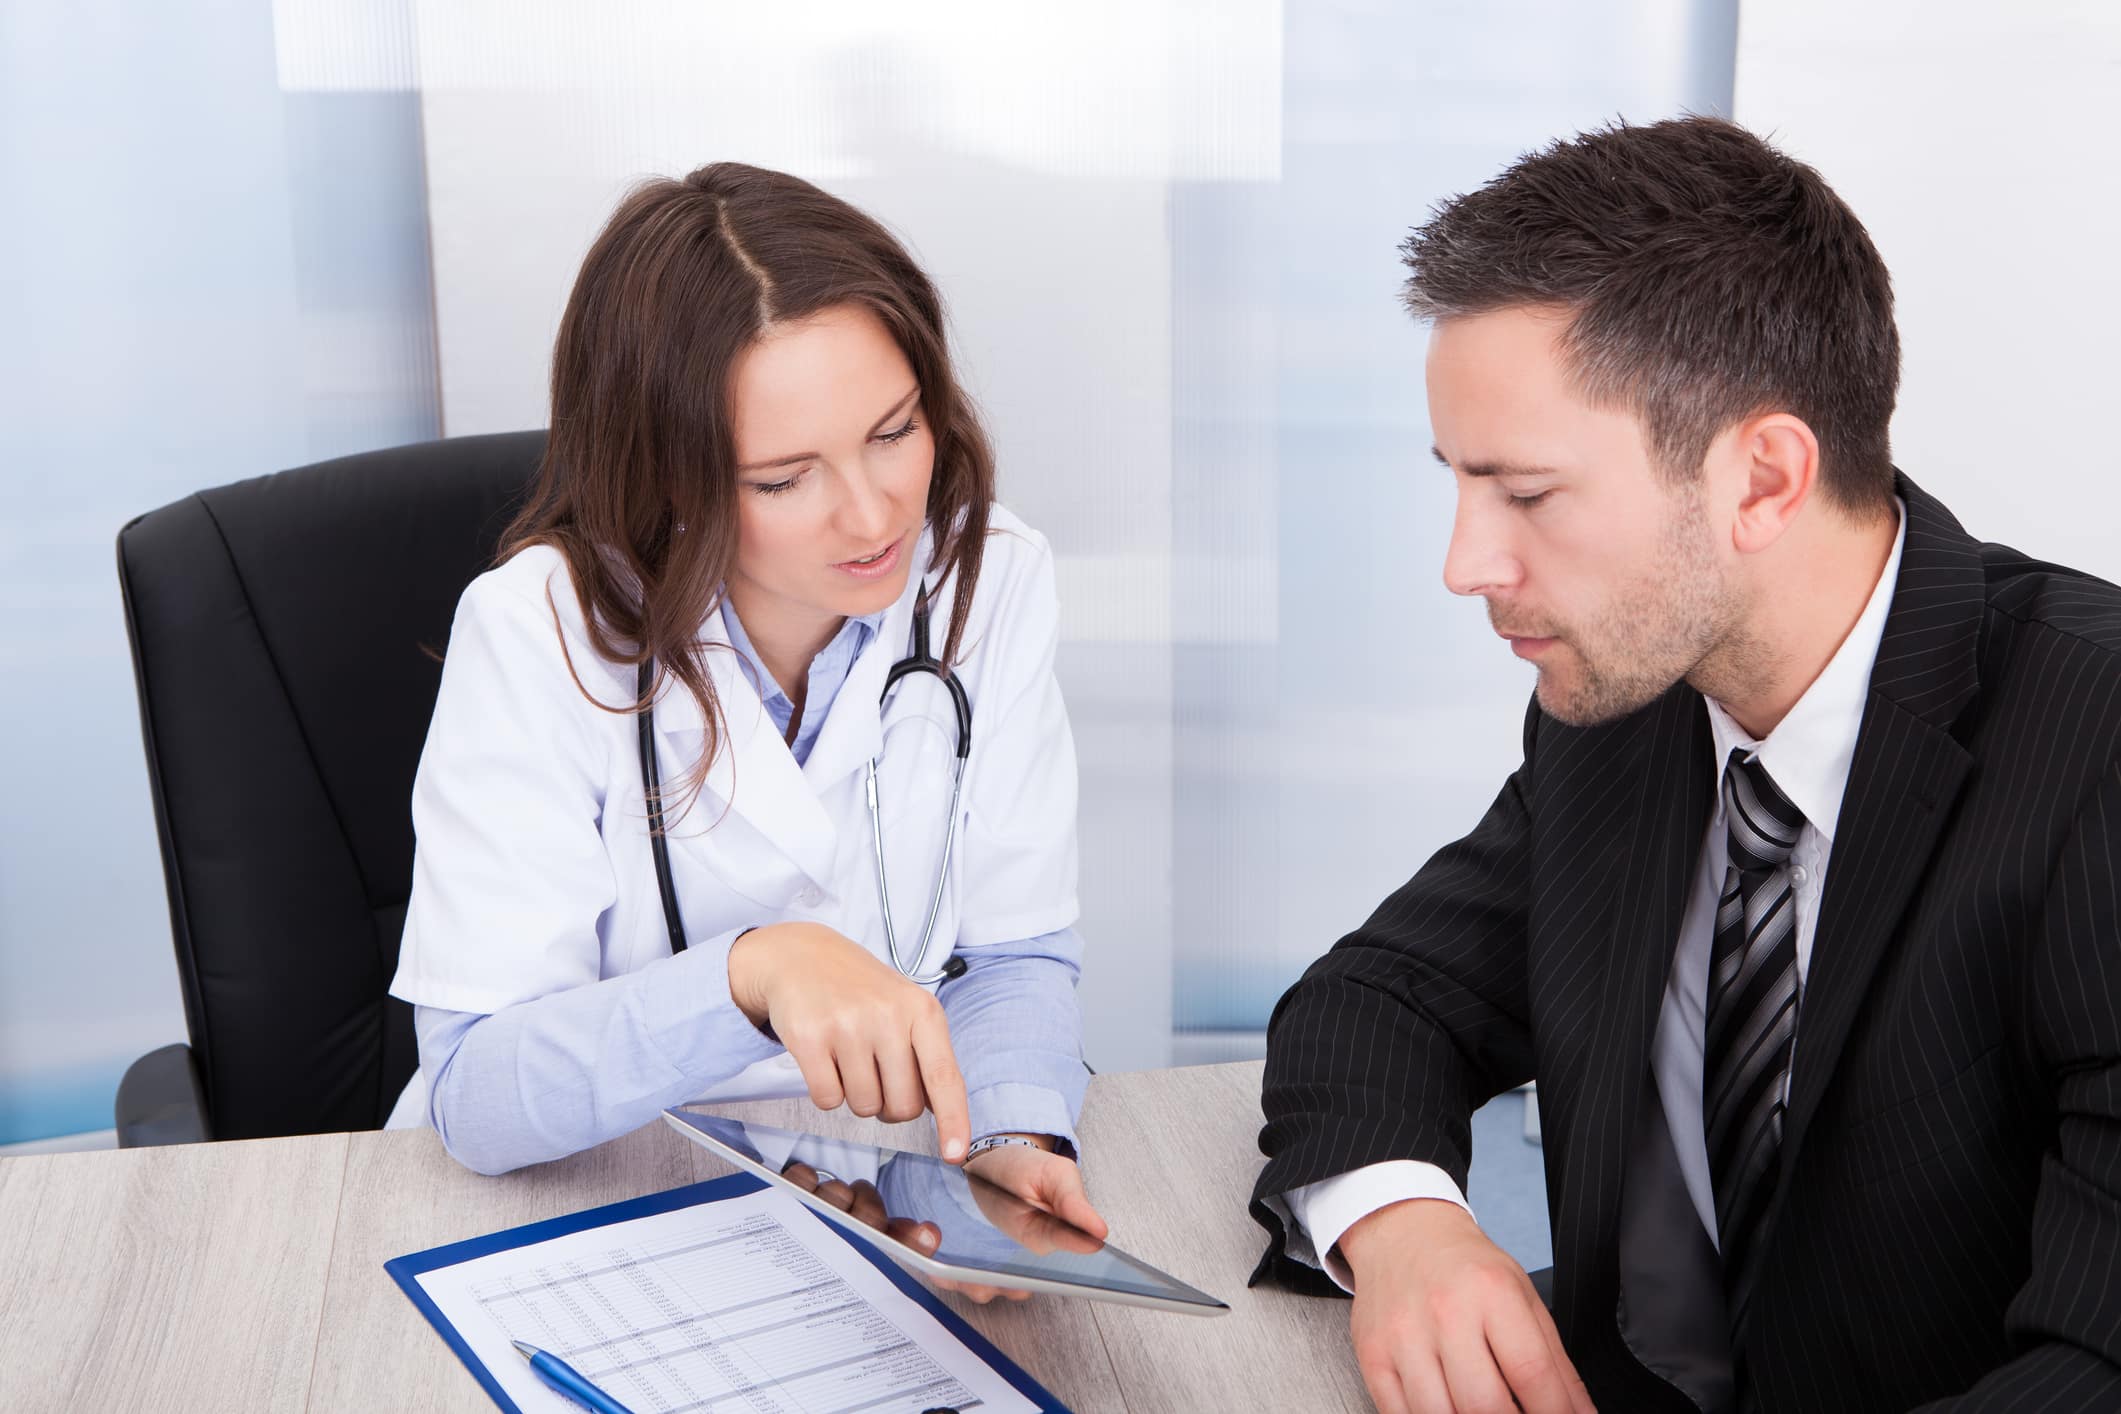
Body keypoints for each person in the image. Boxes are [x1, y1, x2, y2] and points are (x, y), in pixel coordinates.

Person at [1252, 117, 2121, 1413]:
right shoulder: (1627, 699)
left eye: (1527, 493)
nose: (1465, 563)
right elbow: (1379, 998)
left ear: (1762, 479)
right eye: (1458, 484)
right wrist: (1408, 1227)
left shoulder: (2091, 745)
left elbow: (2095, 1369)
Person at [385, 163, 1106, 1252]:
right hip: (584, 1204)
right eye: (783, 479)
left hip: (876, 1196)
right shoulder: (537, 631)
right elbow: (477, 1095)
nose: (872, 513)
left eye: (894, 430)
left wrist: (1008, 1140)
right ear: (667, 477)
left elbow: (1013, 954)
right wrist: (753, 974)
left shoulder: (985, 580)